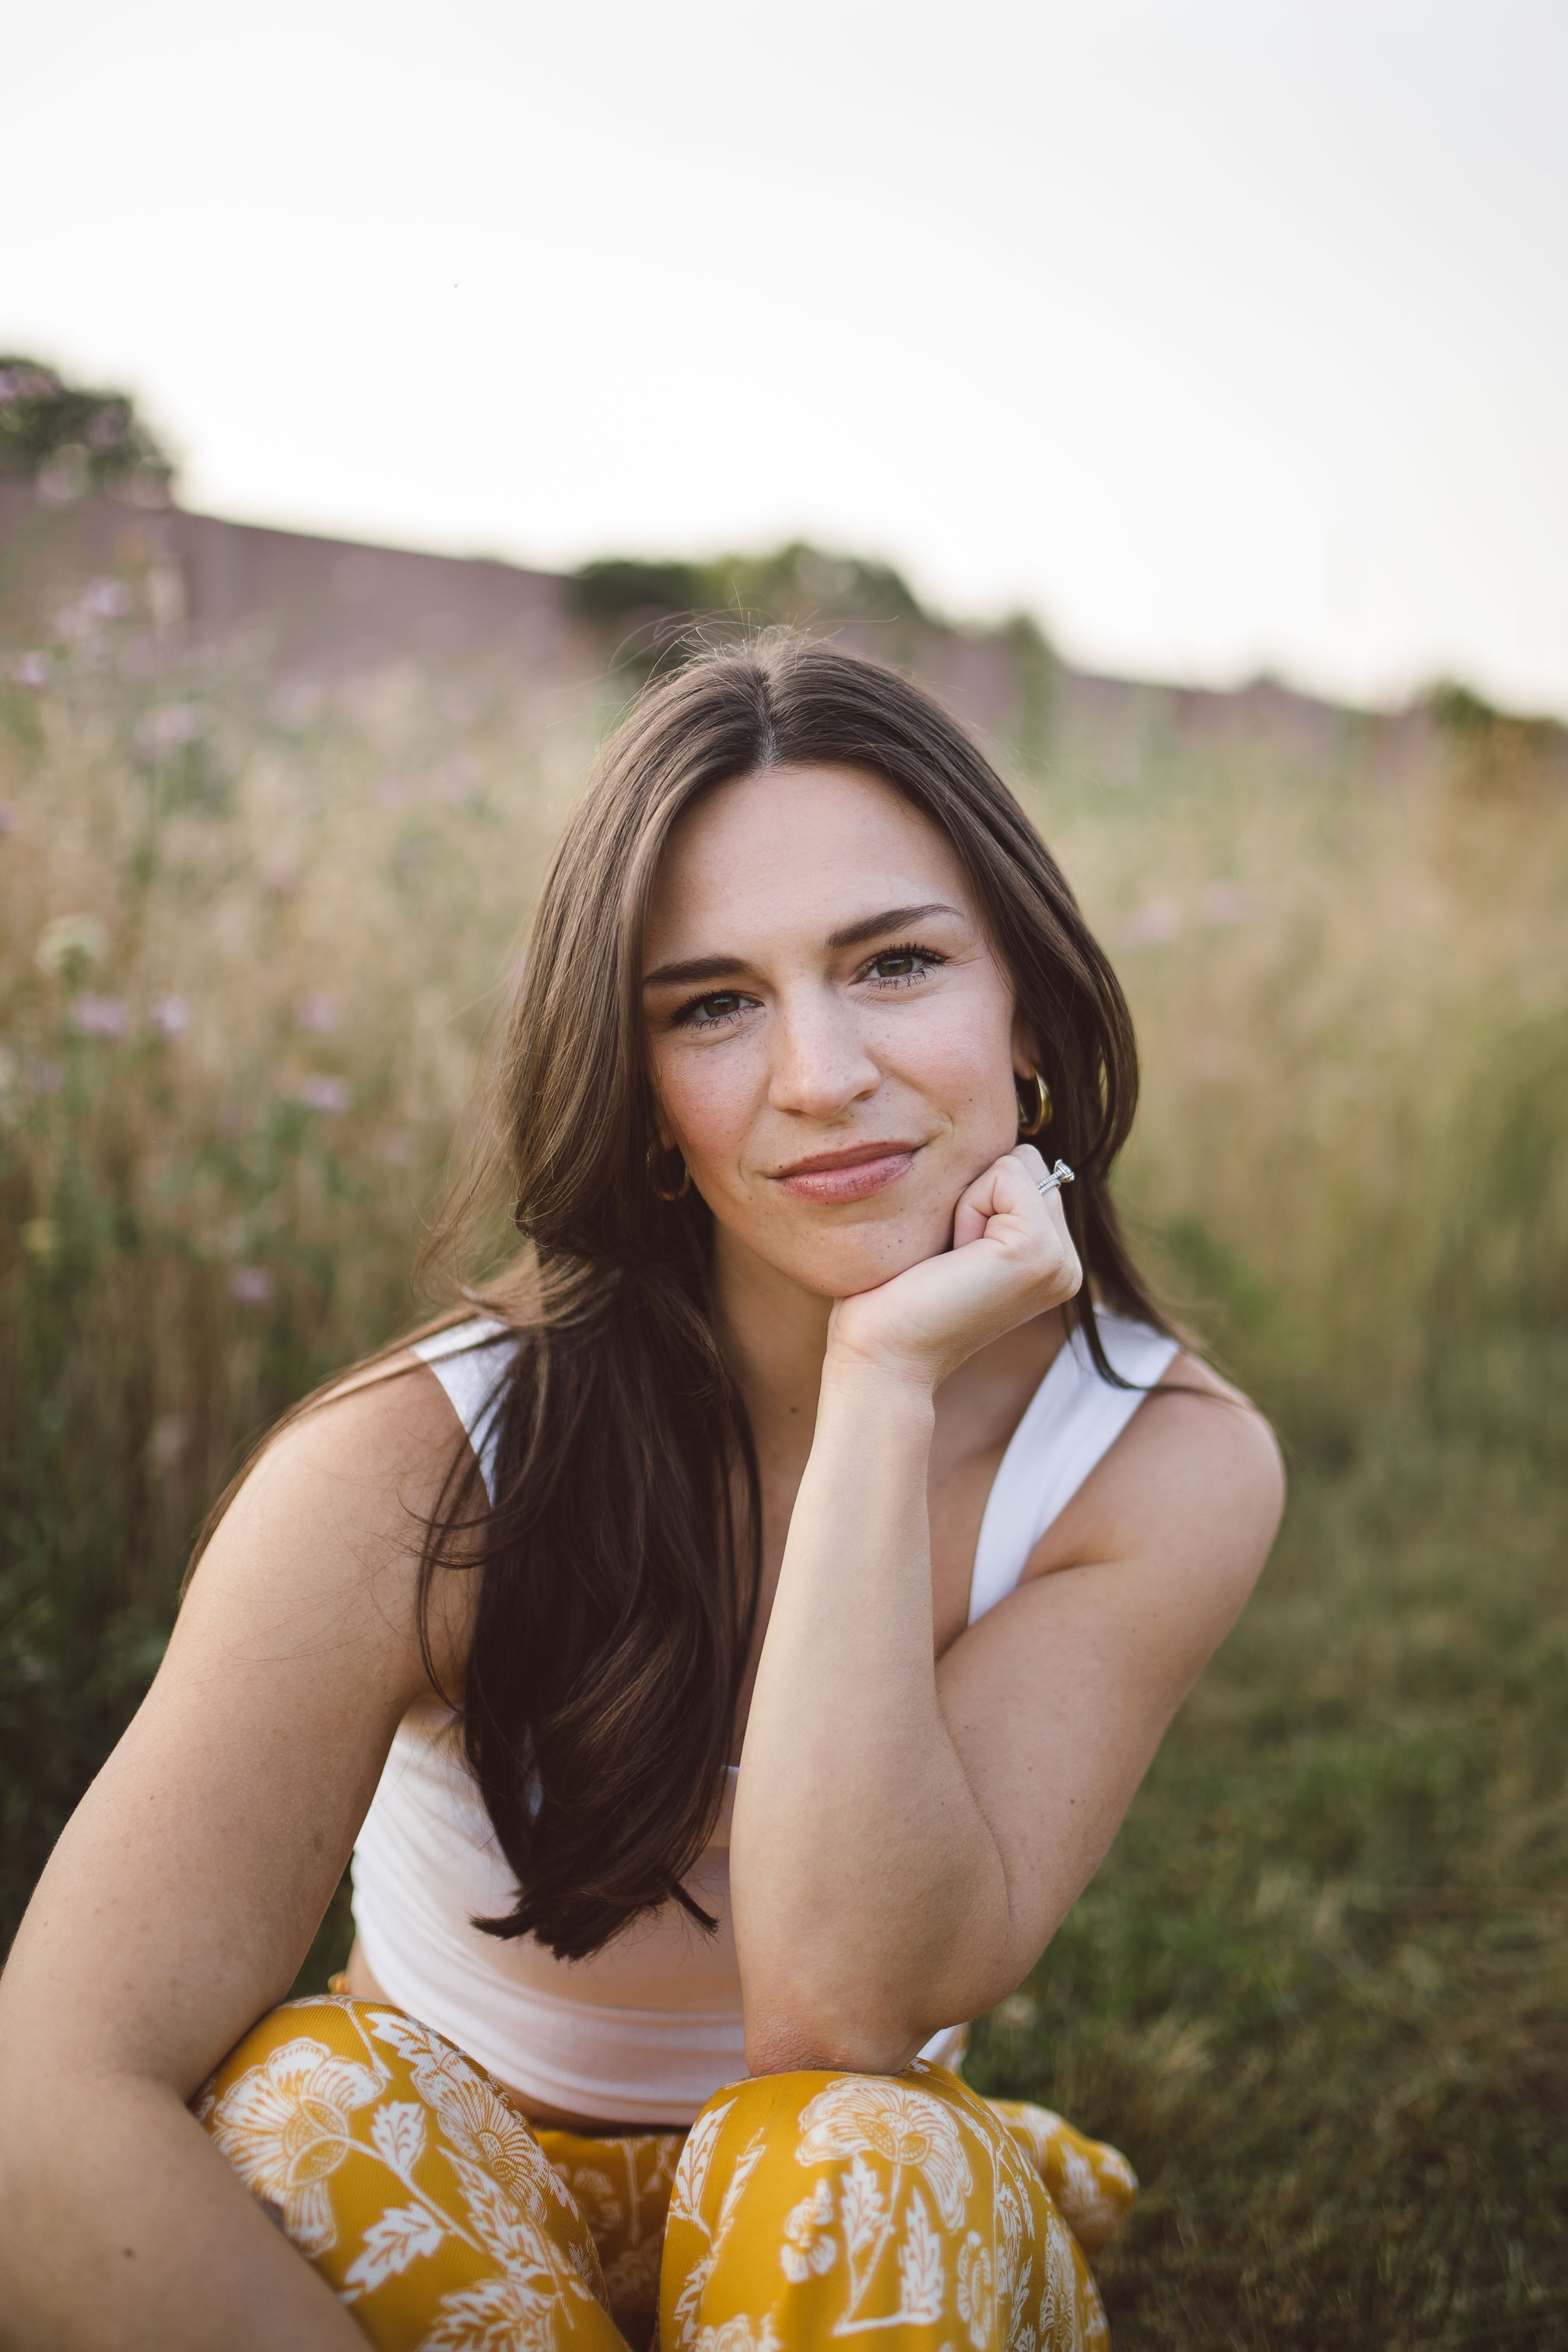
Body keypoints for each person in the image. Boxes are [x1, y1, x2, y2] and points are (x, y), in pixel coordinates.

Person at [0, 635, 1282, 2352]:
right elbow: (48, 2093)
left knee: (864, 2157)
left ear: (1028, 1001)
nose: (819, 1072)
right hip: (431, 2197)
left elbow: (841, 2002)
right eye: (714, 1002)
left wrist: (881, 1383)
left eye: (893, 962)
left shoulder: (1158, 1455)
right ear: (641, 1088)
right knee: (305, 2109)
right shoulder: (413, 1463)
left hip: (834, 2232)